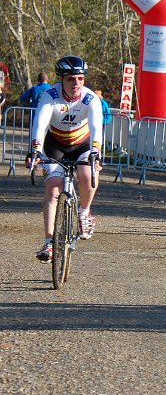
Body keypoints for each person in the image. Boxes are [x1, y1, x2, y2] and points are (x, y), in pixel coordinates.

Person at [25, 56, 103, 263]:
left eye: (80, 78)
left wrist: (96, 152)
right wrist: (35, 150)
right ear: (61, 79)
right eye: (71, 79)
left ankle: (84, 212)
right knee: (53, 188)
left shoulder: (90, 99)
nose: (76, 83)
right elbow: (40, 124)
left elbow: (96, 128)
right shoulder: (50, 96)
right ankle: (49, 242)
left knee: (88, 174)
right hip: (55, 145)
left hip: (82, 145)